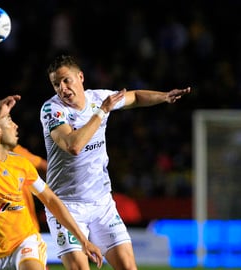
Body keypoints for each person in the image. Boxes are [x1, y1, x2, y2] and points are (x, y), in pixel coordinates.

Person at [39, 54, 191, 270]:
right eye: (56, 84)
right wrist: (102, 112)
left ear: (80, 77)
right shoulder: (52, 110)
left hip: (101, 204)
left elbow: (135, 96)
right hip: (66, 206)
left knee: (129, 267)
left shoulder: (98, 98)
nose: (62, 88)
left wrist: (165, 96)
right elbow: (73, 146)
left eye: (66, 80)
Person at [0, 94, 103, 270]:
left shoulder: (21, 163)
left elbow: (51, 200)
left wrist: (83, 240)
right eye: (9, 121)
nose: (16, 126)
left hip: (24, 242)